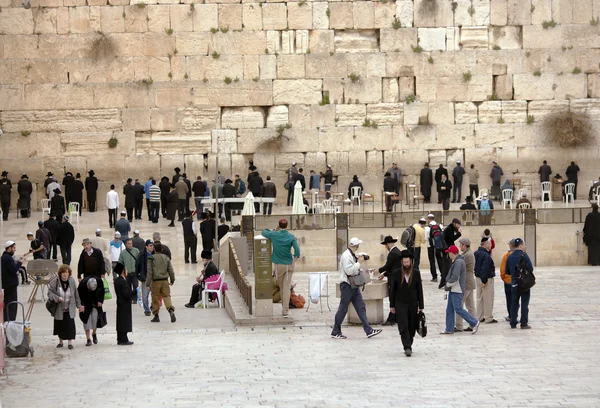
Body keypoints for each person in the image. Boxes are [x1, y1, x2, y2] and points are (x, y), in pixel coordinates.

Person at [331, 237, 382, 339]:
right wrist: (359, 263)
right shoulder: (346, 255)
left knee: (361, 307)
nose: (358, 246)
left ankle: (368, 330)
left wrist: (358, 259)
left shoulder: (351, 254)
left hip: (353, 285)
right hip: (347, 285)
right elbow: (349, 271)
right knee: (343, 308)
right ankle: (336, 331)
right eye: (357, 245)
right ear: (354, 245)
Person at [261, 218, 301, 317]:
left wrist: (275, 229)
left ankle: (284, 310)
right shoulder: (291, 236)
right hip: (289, 264)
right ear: (287, 226)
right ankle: (285, 311)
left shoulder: (274, 235)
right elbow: (297, 252)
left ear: (279, 225)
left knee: (282, 287)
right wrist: (293, 262)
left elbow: (263, 232)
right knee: (286, 288)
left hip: (279, 265)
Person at [390, 250, 424, 357]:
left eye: (408, 262)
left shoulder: (416, 273)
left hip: (413, 303)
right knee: (403, 324)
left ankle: (410, 343)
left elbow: (420, 290)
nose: (406, 264)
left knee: (412, 325)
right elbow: (392, 290)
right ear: (401, 262)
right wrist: (392, 305)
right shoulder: (396, 273)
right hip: (400, 303)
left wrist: (421, 305)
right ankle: (407, 346)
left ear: (411, 262)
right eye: (404, 262)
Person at [440, 245, 480, 335]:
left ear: (452, 253)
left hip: (457, 290)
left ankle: (474, 322)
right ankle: (449, 328)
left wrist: (448, 284)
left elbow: (455, 277)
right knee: (449, 310)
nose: (448, 255)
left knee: (458, 309)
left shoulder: (458, 262)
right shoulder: (458, 261)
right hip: (453, 290)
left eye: (449, 253)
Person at [48, 264, 82, 350]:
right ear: (60, 273)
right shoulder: (55, 282)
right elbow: (50, 293)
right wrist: (57, 298)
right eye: (63, 272)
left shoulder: (72, 282)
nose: (65, 274)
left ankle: (70, 343)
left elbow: (76, 294)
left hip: (69, 307)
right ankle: (60, 341)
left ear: (69, 273)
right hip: (59, 308)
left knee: (70, 326)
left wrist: (79, 305)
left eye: (66, 272)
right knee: (60, 325)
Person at [505, 238, 533, 329]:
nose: (524, 247)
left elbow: (507, 271)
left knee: (514, 303)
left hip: (514, 284)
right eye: (523, 245)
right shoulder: (524, 255)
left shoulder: (510, 256)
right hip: (524, 284)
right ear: (520, 245)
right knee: (524, 304)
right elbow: (531, 268)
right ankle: (524, 323)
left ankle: (513, 323)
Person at [146, 242, 176, 323]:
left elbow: (149, 272)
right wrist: (172, 280)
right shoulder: (166, 258)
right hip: (165, 281)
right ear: (162, 249)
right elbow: (171, 270)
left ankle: (156, 316)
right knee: (166, 296)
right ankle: (170, 310)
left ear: (154, 249)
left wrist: (147, 283)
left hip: (156, 281)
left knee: (155, 298)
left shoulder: (151, 258)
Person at [378, 235, 402, 326]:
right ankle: (395, 317)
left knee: (393, 299)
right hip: (396, 278)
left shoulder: (393, 253)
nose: (385, 247)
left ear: (388, 244)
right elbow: (393, 267)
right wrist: (384, 274)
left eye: (385, 245)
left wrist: (379, 270)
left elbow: (388, 266)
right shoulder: (397, 251)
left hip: (394, 280)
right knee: (395, 299)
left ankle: (392, 318)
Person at [455, 238, 476, 332]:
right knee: (470, 305)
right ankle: (473, 324)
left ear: (464, 245)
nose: (459, 246)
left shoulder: (467, 255)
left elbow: (458, 266)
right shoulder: (467, 254)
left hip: (466, 283)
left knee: (459, 305)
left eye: (460, 244)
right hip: (469, 283)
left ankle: (459, 326)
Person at [474, 237, 496, 324]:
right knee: (488, 298)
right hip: (485, 279)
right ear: (486, 244)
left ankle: (480, 317)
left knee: (479, 298)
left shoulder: (476, 253)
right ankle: (488, 317)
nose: (491, 245)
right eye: (490, 244)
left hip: (477, 278)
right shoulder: (486, 255)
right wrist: (484, 281)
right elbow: (485, 268)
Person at [78, 275, 105, 346]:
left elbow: (102, 292)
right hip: (86, 304)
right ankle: (88, 339)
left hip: (95, 303)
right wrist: (81, 305)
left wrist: (100, 301)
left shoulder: (99, 281)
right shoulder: (82, 284)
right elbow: (78, 295)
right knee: (86, 321)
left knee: (95, 320)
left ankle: (94, 333)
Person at [113, 262, 135, 345]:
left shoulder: (117, 281)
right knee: (124, 322)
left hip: (120, 303)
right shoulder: (122, 282)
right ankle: (124, 339)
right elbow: (127, 294)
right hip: (124, 304)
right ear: (123, 271)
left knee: (120, 321)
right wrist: (135, 291)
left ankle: (120, 339)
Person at [2, 241, 22, 321]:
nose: (15, 250)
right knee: (12, 305)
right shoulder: (8, 258)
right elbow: (13, 271)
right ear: (9, 248)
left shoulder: (4, 257)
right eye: (14, 248)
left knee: (8, 304)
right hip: (11, 286)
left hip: (6, 285)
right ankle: (10, 321)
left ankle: (7, 320)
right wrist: (19, 264)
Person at [440, 218, 462, 288]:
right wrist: (459, 233)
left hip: (448, 250)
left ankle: (445, 282)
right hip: (447, 251)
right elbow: (452, 238)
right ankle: (443, 283)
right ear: (454, 223)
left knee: (448, 266)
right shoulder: (449, 229)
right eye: (458, 224)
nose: (458, 226)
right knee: (446, 267)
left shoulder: (450, 228)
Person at [135, 240, 154, 316]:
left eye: (152, 245)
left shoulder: (155, 254)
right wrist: (139, 276)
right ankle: (147, 310)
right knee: (145, 296)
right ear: (146, 246)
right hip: (145, 278)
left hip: (154, 278)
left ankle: (153, 307)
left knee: (155, 295)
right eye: (150, 245)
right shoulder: (141, 255)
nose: (152, 247)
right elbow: (137, 266)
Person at [500, 239, 515, 322]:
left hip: (508, 281)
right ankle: (514, 314)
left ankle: (511, 315)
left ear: (510, 245)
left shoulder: (506, 256)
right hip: (517, 281)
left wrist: (504, 278)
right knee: (515, 299)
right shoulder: (520, 255)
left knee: (509, 299)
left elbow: (502, 269)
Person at [425, 213, 443, 282]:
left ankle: (434, 277)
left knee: (432, 261)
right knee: (440, 260)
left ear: (429, 219)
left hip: (430, 246)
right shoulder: (439, 225)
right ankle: (443, 275)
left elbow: (426, 238)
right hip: (438, 245)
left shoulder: (427, 228)